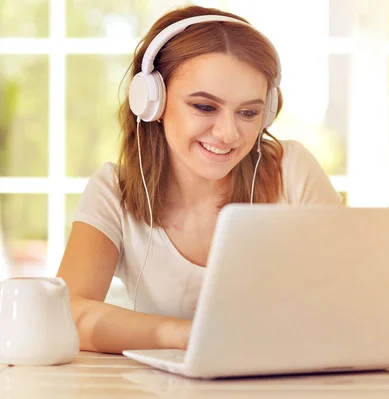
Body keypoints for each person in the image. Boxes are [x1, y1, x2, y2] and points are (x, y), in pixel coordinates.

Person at [56, 5, 342, 354]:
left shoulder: (291, 170)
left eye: (248, 112)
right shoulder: (114, 191)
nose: (228, 133)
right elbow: (65, 315)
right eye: (205, 107)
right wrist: (186, 336)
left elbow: (351, 295)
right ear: (151, 101)